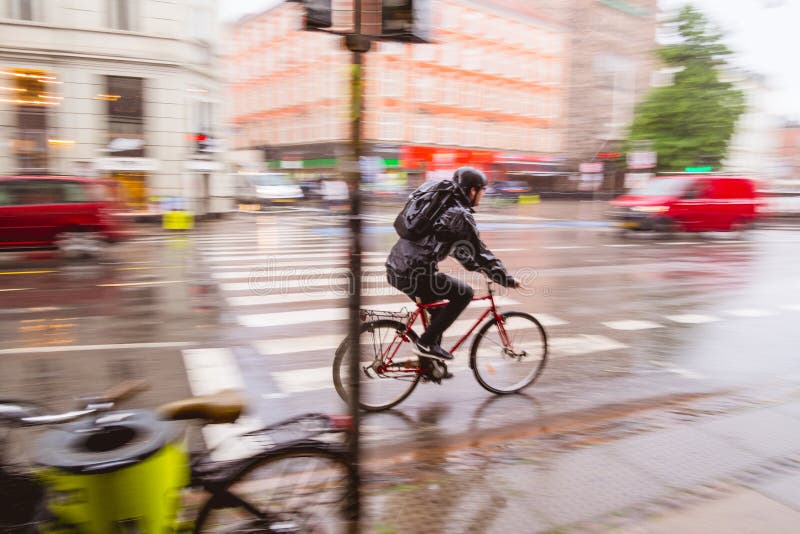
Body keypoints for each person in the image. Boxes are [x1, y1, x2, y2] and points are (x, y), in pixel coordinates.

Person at [386, 167, 519, 374]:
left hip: (397, 267)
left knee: (438, 312)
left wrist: (478, 268)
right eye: (482, 191)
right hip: (417, 272)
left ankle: (431, 365)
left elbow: (460, 250)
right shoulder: (459, 214)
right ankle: (425, 345)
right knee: (464, 293)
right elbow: (480, 251)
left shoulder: (442, 206)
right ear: (472, 190)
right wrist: (504, 278)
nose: (482, 195)